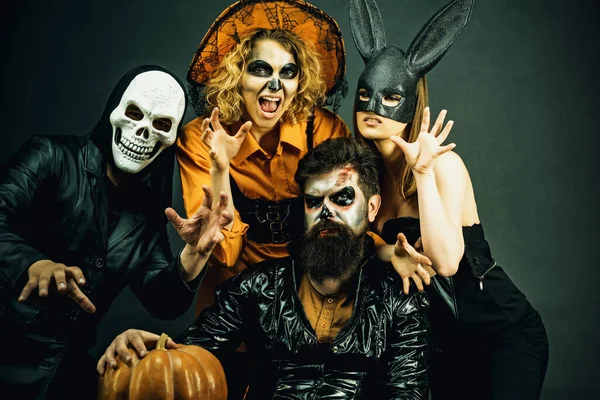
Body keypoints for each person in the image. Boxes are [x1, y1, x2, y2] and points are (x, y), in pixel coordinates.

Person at [98, 137, 430, 399]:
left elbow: (407, 391)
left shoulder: (399, 297)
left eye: (342, 198)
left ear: (372, 207)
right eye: (314, 201)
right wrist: (147, 347)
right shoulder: (258, 287)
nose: (326, 211)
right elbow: (188, 357)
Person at [349, 0, 549, 399]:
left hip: (502, 336)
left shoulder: (443, 166)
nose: (373, 107)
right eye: (366, 93)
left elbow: (444, 261)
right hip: (434, 348)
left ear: (410, 103)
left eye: (390, 98)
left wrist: (422, 174)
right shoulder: (361, 178)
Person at [0, 66, 232, 399]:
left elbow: (162, 301)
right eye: (134, 115)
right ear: (114, 111)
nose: (142, 132)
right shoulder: (51, 156)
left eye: (161, 126)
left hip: (64, 375)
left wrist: (195, 254)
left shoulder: (146, 212)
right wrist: (32, 264)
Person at [176, 0, 350, 316]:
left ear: (300, 82)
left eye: (288, 72)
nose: (275, 84)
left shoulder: (324, 129)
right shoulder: (199, 137)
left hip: (311, 291)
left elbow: (343, 226)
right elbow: (224, 251)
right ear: (236, 74)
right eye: (260, 69)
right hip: (234, 299)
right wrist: (220, 168)